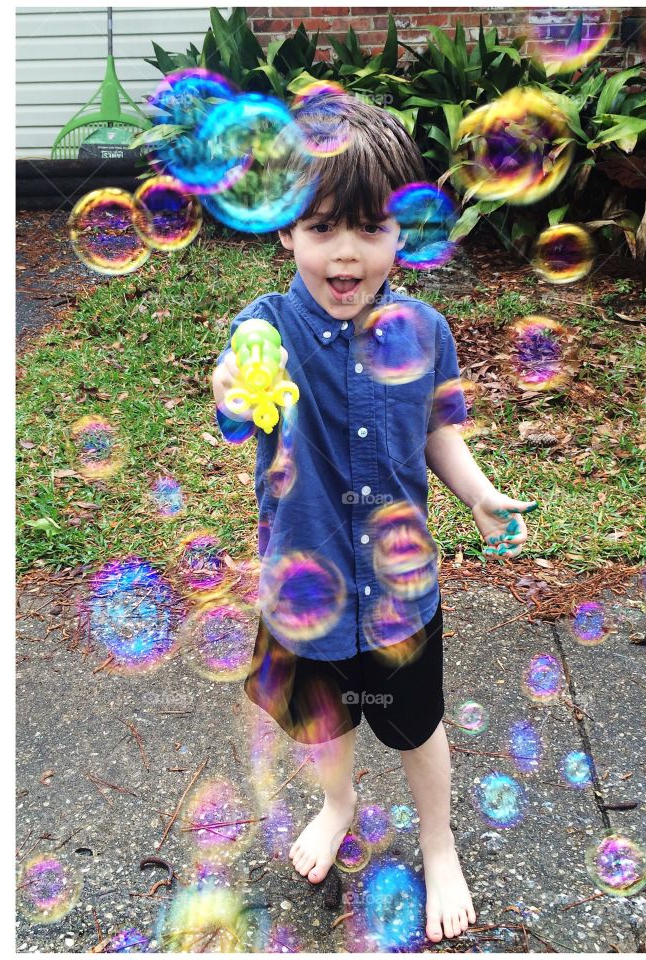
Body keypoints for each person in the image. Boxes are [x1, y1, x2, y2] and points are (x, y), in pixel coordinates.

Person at [210, 93, 537, 944]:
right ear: (285, 231)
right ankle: (338, 802)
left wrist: (478, 492)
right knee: (327, 719)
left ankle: (439, 842)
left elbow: (438, 430)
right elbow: (235, 388)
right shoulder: (265, 330)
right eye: (321, 228)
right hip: (304, 586)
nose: (346, 251)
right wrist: (236, 388)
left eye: (368, 227)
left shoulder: (425, 331)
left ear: (403, 235)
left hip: (400, 592)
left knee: (418, 727)